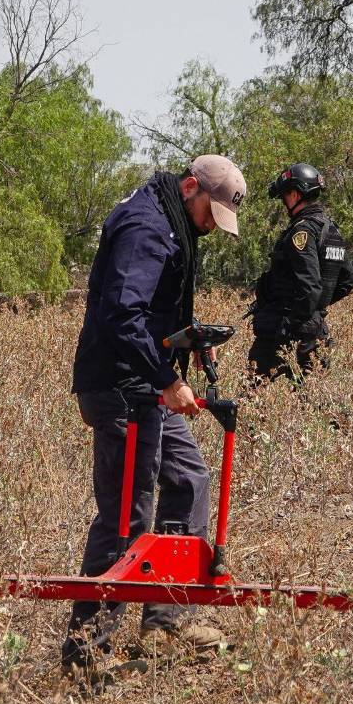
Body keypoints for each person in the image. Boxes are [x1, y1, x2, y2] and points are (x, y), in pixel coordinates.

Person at [65, 154, 246, 676]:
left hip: (148, 383)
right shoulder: (147, 226)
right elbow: (122, 314)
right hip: (124, 386)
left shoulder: (171, 218)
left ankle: (166, 620)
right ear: (190, 187)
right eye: (210, 213)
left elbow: (156, 306)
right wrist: (168, 380)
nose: (211, 226)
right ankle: (86, 650)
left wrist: (191, 346)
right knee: (127, 514)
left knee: (188, 479)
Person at [248, 163, 353, 383]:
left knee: (253, 393)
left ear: (296, 194)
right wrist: (316, 308)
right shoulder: (330, 229)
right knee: (315, 404)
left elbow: (310, 285)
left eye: (285, 195)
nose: (284, 202)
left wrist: (290, 321)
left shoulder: (303, 231)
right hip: (315, 331)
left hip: (286, 331)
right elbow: (347, 282)